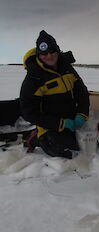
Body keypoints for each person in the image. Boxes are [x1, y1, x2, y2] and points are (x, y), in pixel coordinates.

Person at [20, 30, 90, 159]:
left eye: (52, 52)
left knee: (90, 145)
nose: (49, 56)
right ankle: (37, 136)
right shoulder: (34, 77)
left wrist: (81, 114)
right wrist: (61, 124)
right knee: (69, 153)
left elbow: (82, 93)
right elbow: (28, 112)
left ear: (57, 51)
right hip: (50, 126)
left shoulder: (67, 67)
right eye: (44, 53)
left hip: (73, 120)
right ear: (38, 55)